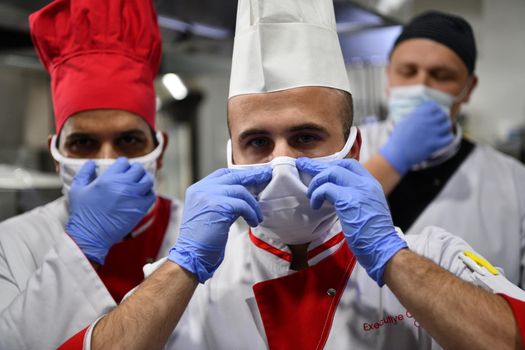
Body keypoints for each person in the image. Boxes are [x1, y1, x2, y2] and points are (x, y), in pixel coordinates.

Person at [61, 1, 524, 349]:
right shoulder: (182, 289)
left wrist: (391, 258)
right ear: (231, 158)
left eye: (305, 138)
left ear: (353, 150)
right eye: (258, 143)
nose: (280, 162)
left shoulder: (429, 257)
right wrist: (181, 267)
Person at [0, 0, 183, 348]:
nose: (108, 161)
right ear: (56, 154)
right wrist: (83, 244)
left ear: (160, 152)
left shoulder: (195, 233)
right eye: (83, 143)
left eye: (129, 140)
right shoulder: (12, 244)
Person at [360, 11, 525, 287]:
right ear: (389, 76)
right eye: (408, 71)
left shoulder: (515, 182)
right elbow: (310, 233)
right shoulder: (347, 148)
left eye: (441, 75)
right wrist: (391, 161)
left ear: (468, 88)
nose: (421, 86)